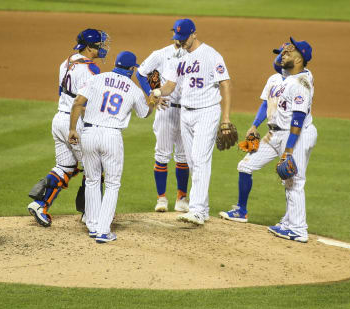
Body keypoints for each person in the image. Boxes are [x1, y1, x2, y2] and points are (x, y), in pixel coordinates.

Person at [220, 38, 317, 243]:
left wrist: (288, 150)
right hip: (273, 134)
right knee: (246, 165)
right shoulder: (280, 79)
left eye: (289, 52)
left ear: (300, 58)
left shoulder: (301, 83)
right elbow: (267, 105)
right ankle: (284, 221)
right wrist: (255, 125)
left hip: (295, 135)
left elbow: (298, 120)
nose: (283, 54)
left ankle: (298, 229)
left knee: (293, 181)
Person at [152, 18, 236, 225]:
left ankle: (197, 210)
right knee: (191, 162)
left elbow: (225, 83)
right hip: (185, 114)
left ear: (194, 34)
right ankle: (203, 208)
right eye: (177, 39)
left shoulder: (211, 55)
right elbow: (170, 85)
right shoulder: (178, 57)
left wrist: (225, 118)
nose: (180, 42)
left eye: (184, 38)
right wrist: (157, 91)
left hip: (207, 112)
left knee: (199, 159)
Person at [68, 51, 156, 243]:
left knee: (91, 180)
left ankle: (92, 225)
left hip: (89, 133)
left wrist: (73, 129)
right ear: (132, 69)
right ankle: (103, 230)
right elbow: (143, 114)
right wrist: (152, 103)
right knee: (112, 184)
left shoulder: (97, 79)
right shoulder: (133, 89)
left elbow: (77, 102)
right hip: (111, 136)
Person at [27, 29, 110, 227]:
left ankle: (40, 204)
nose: (103, 48)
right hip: (75, 123)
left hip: (59, 120)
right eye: (100, 44)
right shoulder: (92, 70)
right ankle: (91, 213)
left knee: (65, 167)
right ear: (90, 48)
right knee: (96, 169)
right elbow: (90, 102)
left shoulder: (67, 61)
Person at [135, 20, 190, 213]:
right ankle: (161, 198)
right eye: (176, 36)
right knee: (162, 154)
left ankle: (182, 198)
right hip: (165, 110)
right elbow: (141, 73)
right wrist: (153, 94)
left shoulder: (195, 54)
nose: (178, 40)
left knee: (183, 157)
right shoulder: (161, 54)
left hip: (187, 111)